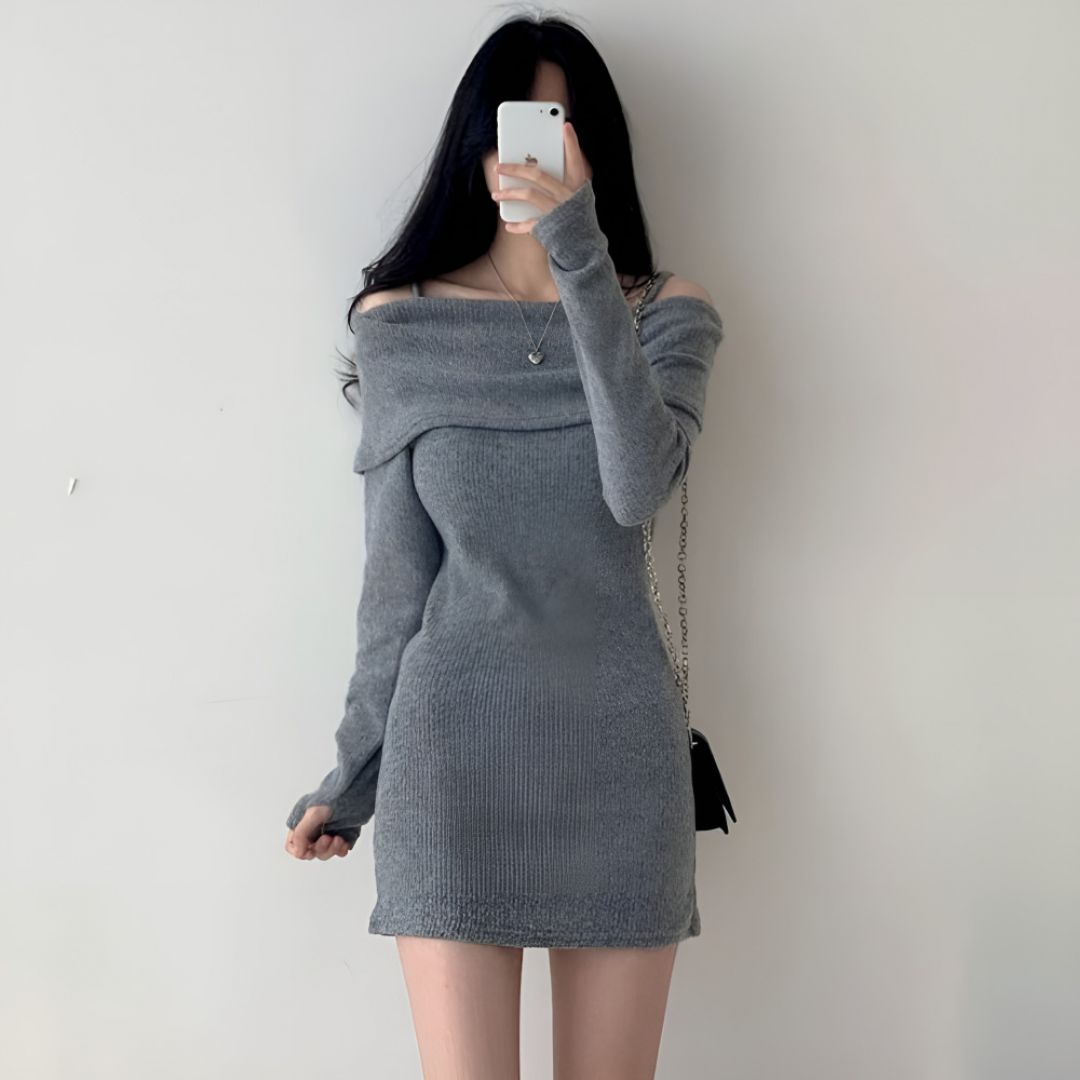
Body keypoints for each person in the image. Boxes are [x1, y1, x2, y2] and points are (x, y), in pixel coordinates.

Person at [283, 14, 724, 1079]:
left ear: (591, 144)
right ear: (474, 142)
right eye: (511, 120)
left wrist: (578, 249)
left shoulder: (668, 314)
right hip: (451, 766)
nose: (529, 145)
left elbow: (634, 490)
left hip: (617, 760)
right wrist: (351, 777)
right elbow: (395, 587)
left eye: (556, 121)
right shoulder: (401, 323)